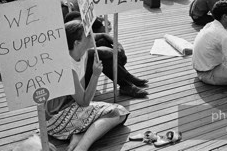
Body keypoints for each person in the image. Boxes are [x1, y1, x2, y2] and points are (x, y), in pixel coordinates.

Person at [45, 20, 129, 151]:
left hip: (71, 107)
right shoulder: (67, 66)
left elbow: (82, 95)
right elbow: (84, 102)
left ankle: (79, 135)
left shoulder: (82, 54)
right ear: (77, 43)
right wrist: (95, 75)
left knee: (121, 112)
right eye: (88, 35)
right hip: (55, 118)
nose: (93, 36)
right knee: (116, 112)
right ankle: (82, 147)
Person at [64, 11, 149, 98]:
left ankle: (126, 79)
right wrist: (112, 52)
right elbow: (94, 52)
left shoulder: (80, 34)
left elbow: (102, 35)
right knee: (100, 57)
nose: (83, 25)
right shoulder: (68, 46)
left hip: (83, 71)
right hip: (77, 87)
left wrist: (117, 45)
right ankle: (126, 82)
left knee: (102, 42)